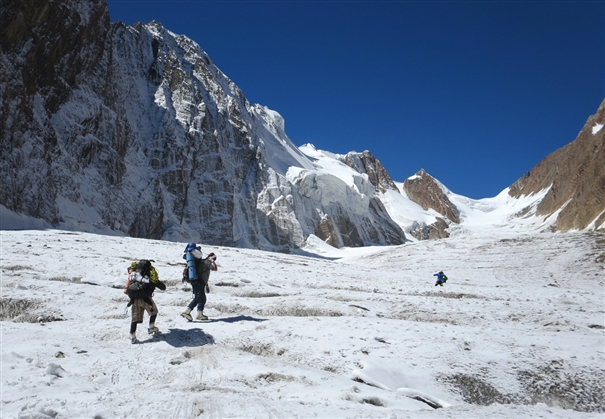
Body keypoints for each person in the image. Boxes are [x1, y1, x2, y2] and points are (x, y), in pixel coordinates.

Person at [124, 263, 166, 344]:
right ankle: (151, 327)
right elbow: (162, 287)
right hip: (146, 299)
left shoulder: (135, 276)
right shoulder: (149, 276)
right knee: (154, 312)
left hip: (134, 299)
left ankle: (132, 336)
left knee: (135, 319)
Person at [181, 251, 217, 321]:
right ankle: (186, 311)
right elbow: (215, 269)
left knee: (202, 299)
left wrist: (206, 284)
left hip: (198, 282)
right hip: (199, 282)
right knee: (198, 298)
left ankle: (199, 314)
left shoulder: (203, 262)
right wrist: (213, 262)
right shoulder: (207, 262)